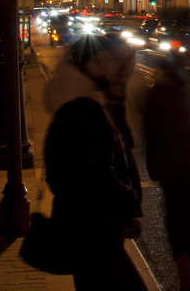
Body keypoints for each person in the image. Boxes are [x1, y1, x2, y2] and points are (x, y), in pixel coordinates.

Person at [44, 34, 145, 290]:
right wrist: (128, 198)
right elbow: (96, 171)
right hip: (93, 225)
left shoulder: (86, 100)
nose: (108, 67)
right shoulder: (83, 107)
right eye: (100, 61)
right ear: (82, 65)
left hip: (89, 222)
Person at [145, 32, 190, 291]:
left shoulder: (159, 93)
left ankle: (189, 280)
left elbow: (150, 134)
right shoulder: (179, 95)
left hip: (172, 173)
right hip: (185, 172)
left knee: (180, 231)